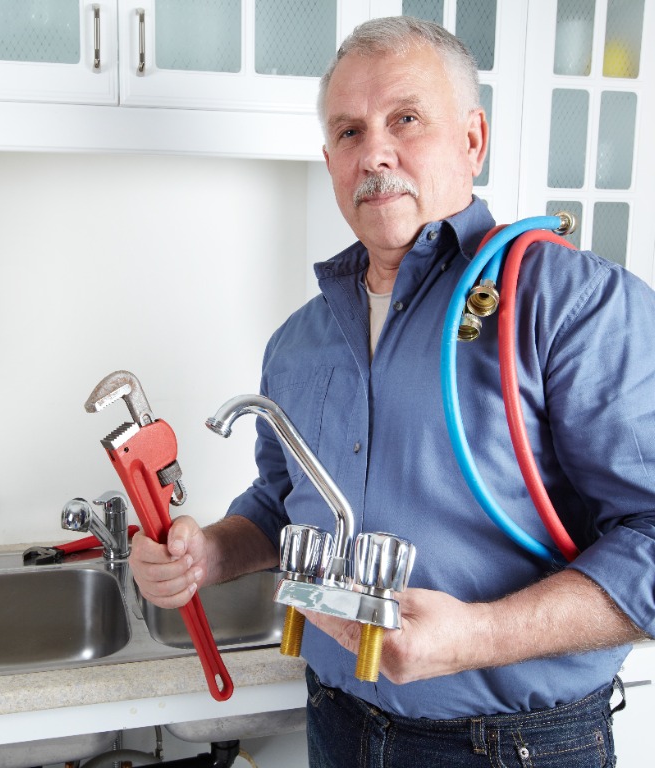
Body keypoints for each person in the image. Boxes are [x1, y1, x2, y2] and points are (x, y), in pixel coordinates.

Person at [129, 16, 655, 768]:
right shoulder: (298, 341)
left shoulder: (569, 303)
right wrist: (208, 553)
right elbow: (283, 506)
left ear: (472, 139)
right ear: (329, 160)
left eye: (405, 119)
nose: (374, 151)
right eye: (348, 132)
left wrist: (479, 636)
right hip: (338, 722)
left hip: (514, 747)